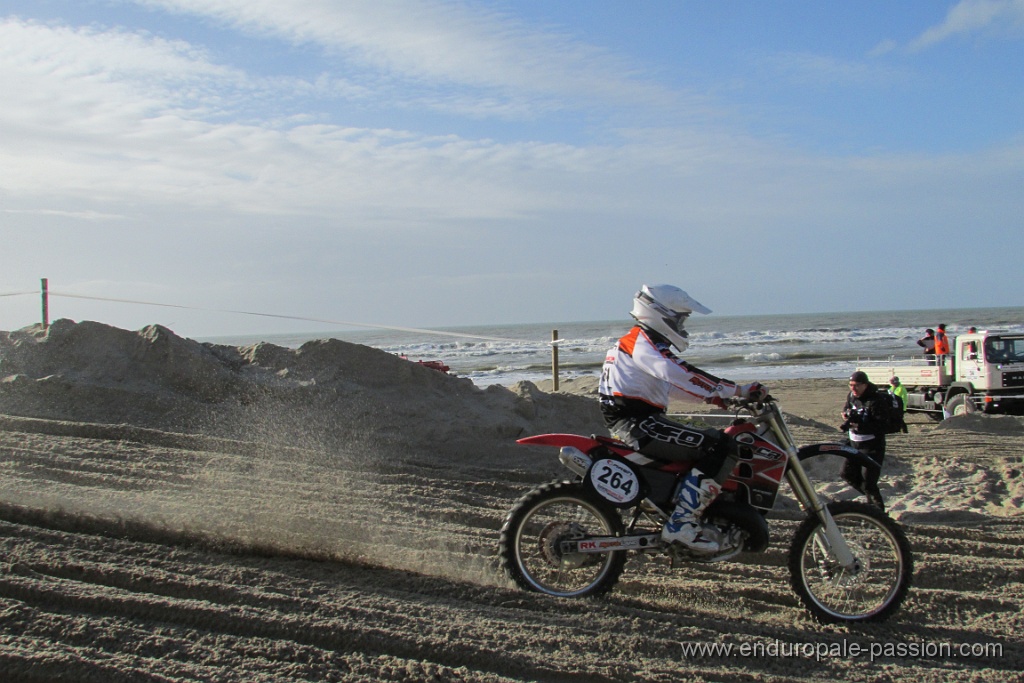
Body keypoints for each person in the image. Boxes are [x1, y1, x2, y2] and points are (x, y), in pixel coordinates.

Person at [598, 284, 767, 554]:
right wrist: (735, 390)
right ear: (661, 315)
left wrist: (717, 398)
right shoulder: (642, 343)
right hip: (639, 424)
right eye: (680, 318)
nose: (682, 324)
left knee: (708, 440)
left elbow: (670, 385)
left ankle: (681, 508)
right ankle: (682, 524)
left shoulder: (640, 342)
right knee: (720, 446)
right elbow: (677, 372)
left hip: (638, 421)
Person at [840, 371, 889, 510]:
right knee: (846, 473)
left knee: (869, 482)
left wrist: (860, 426)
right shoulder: (851, 396)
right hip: (854, 443)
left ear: (865, 385)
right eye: (850, 385)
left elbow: (882, 425)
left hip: (872, 445)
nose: (853, 389)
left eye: (856, 386)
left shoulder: (876, 400)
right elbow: (847, 408)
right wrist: (845, 415)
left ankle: (879, 512)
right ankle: (870, 502)